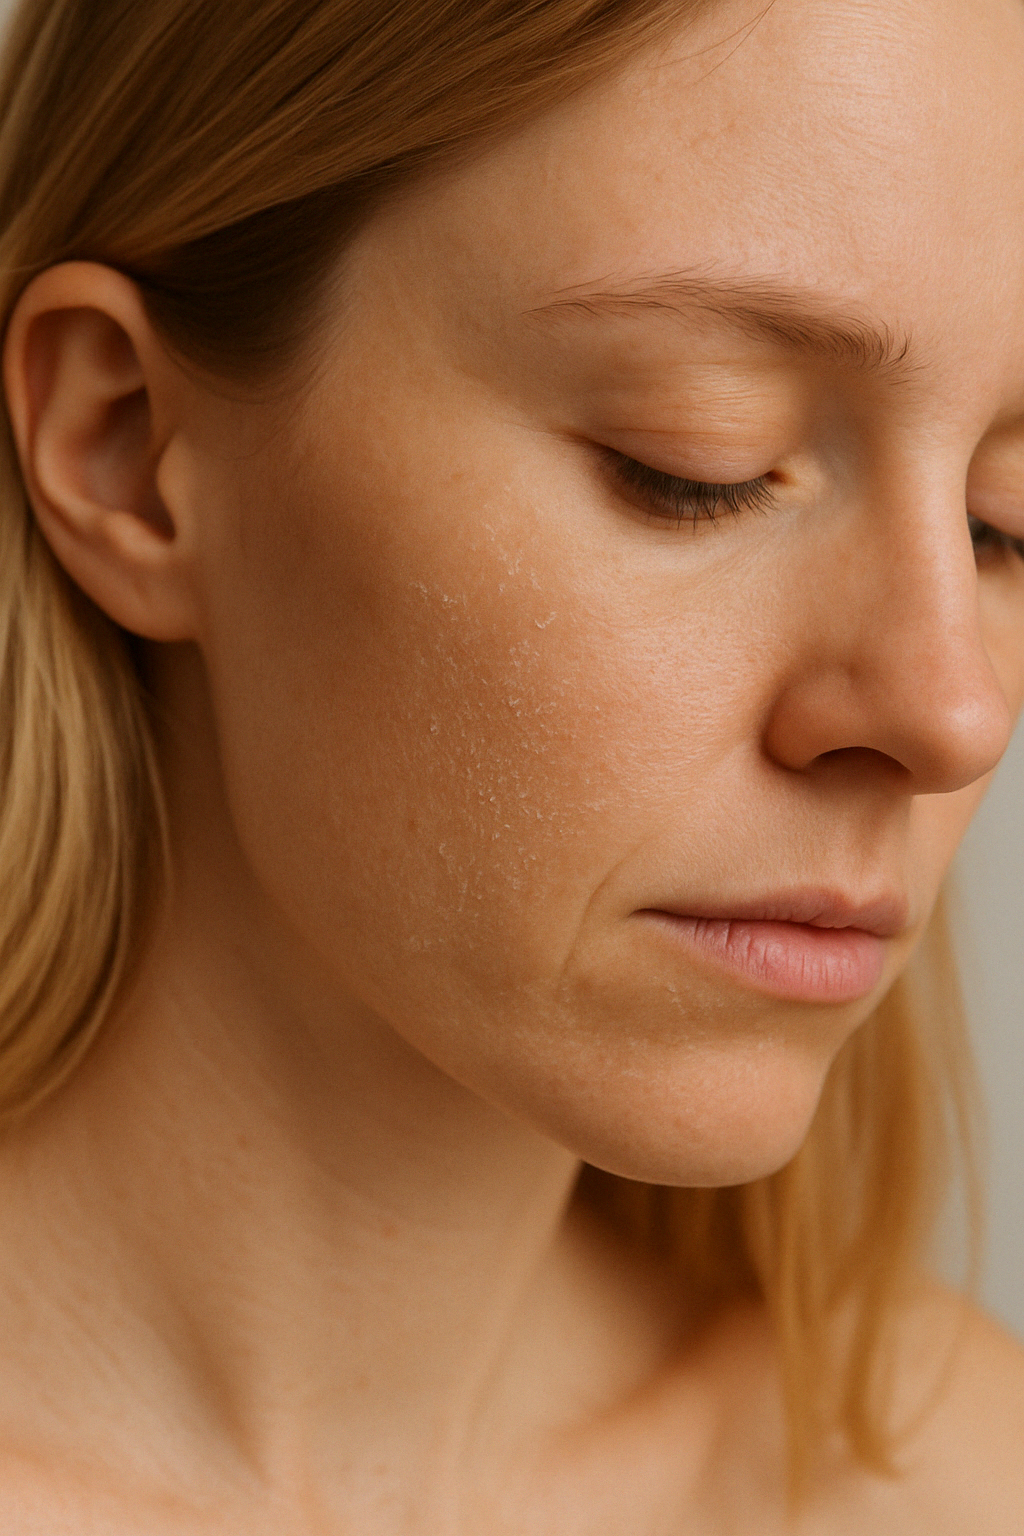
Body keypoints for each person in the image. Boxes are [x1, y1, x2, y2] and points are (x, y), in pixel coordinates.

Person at [0, 0, 1021, 1527]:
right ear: (126, 445)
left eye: (1004, 520)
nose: (955, 716)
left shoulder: (940, 1482)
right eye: (700, 465)